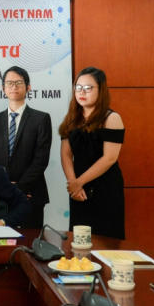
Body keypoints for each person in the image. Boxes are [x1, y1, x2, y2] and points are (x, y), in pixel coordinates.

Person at [59, 66, 125, 239]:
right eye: (78, 87)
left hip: (104, 186)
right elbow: (66, 154)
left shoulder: (111, 118)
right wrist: (73, 183)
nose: (82, 92)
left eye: (88, 88)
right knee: (79, 239)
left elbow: (109, 158)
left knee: (106, 239)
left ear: (100, 90)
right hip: (78, 190)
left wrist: (79, 182)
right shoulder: (71, 118)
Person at [0, 66, 52, 229]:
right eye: (9, 83)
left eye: (18, 83)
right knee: (1, 240)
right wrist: (6, 185)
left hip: (31, 192)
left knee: (30, 240)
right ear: (3, 88)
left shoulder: (41, 119)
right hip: (0, 194)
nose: (14, 87)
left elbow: (41, 159)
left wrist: (20, 187)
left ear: (28, 87)